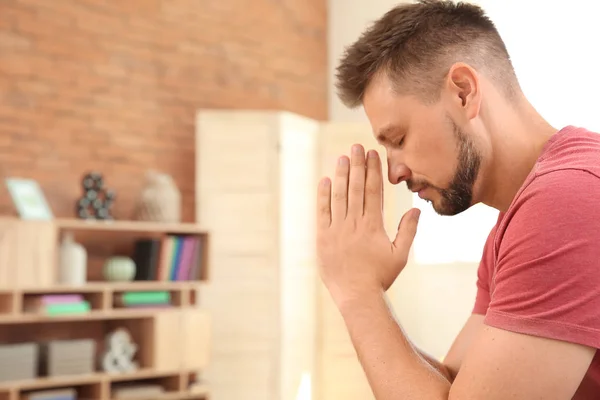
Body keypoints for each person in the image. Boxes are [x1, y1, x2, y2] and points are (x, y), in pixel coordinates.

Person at [315, 0, 600, 398]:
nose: (395, 172)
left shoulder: (567, 200)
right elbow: (454, 386)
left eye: (398, 139)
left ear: (464, 92)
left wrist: (357, 292)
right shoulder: (515, 219)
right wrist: (364, 291)